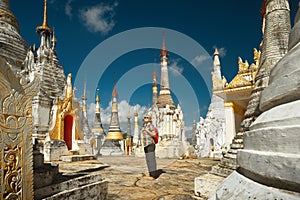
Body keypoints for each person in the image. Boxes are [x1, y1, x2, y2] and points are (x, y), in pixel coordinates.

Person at [141, 114, 157, 180]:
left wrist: (147, 131)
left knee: (151, 159)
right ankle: (151, 173)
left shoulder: (151, 126)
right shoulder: (144, 126)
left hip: (150, 144)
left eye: (147, 117)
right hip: (146, 144)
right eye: (145, 117)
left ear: (150, 119)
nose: (146, 118)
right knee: (148, 160)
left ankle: (153, 175)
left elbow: (154, 134)